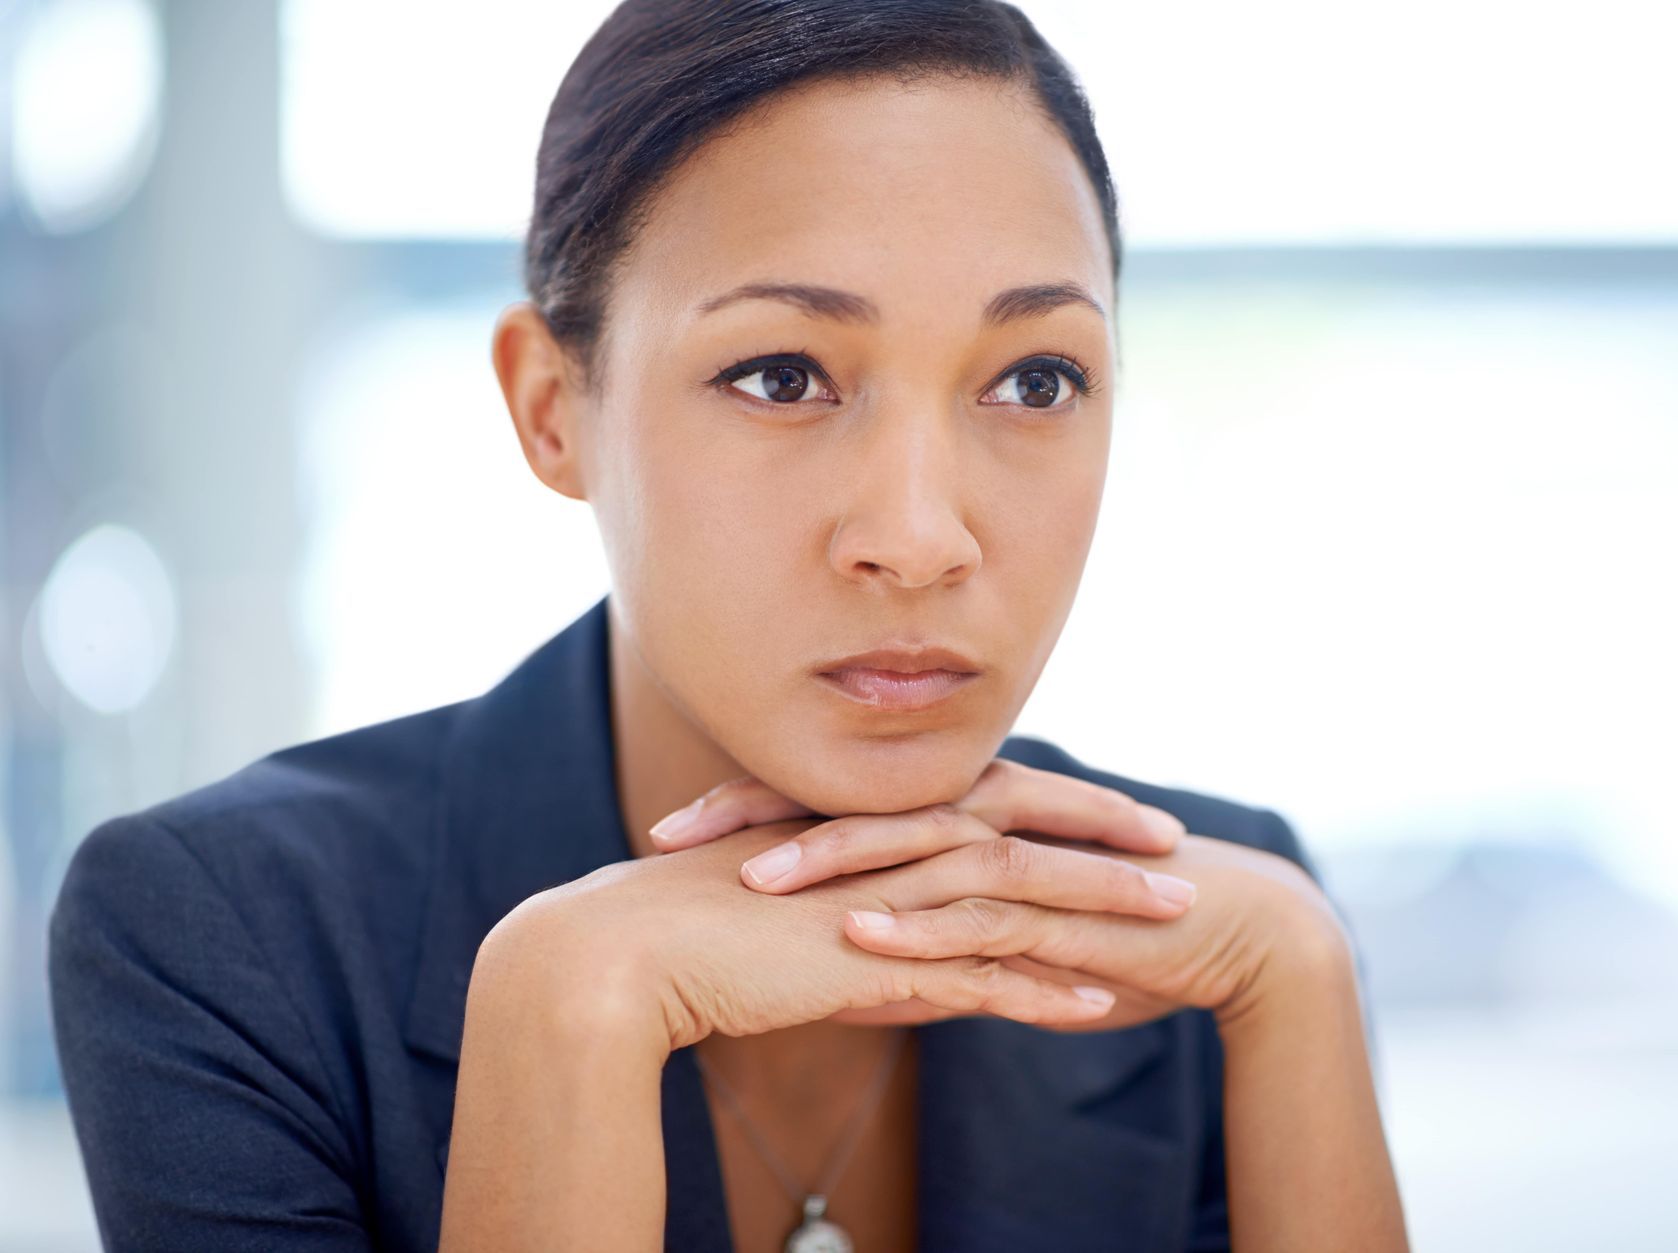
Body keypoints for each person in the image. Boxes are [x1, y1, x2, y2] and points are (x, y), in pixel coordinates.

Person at [48, 1, 1409, 1250]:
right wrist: (565, 1011)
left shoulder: (1227, 929)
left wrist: (1296, 983)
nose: (921, 535)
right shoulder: (229, 934)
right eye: (782, 374)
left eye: (1036, 377)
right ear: (550, 406)